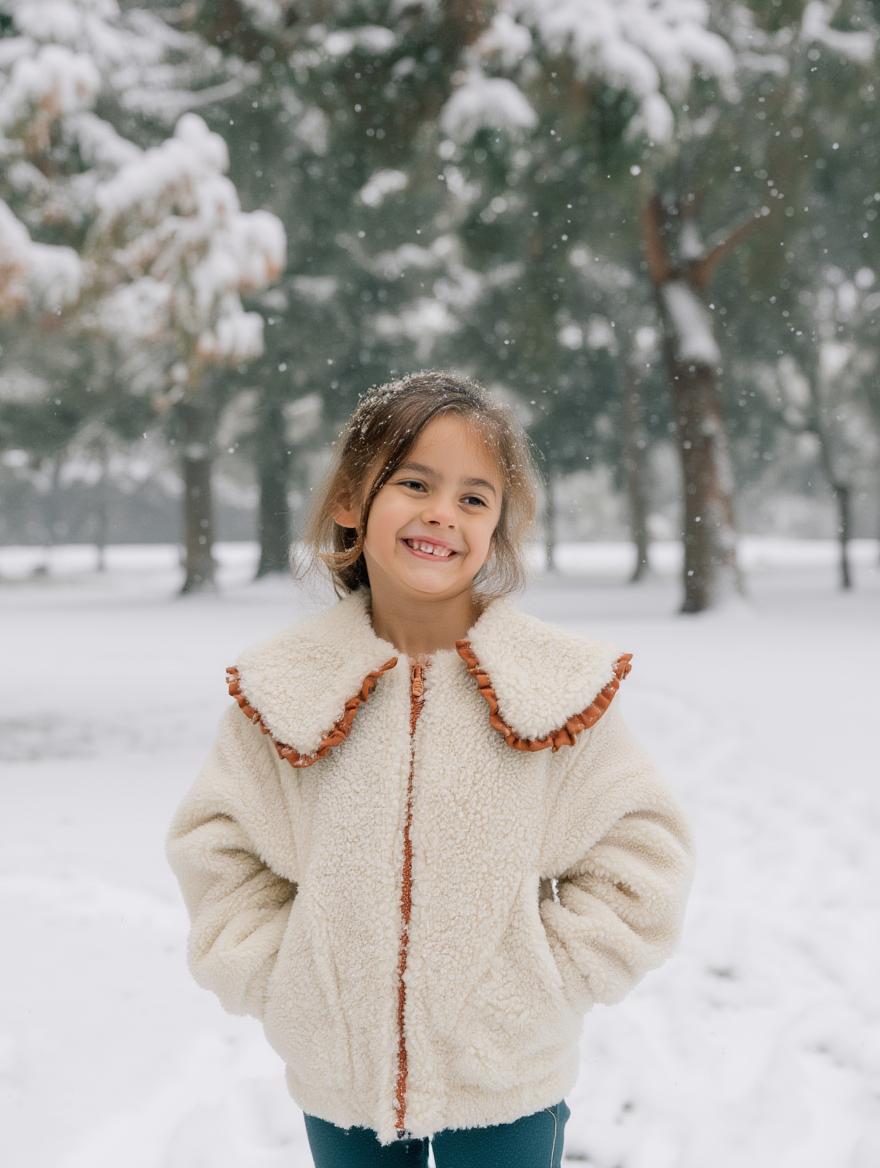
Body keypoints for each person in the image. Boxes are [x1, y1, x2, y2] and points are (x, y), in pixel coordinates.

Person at [164, 369, 697, 1167]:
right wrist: (289, 985)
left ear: (497, 527)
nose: (443, 513)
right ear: (352, 500)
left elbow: (642, 857)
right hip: (342, 1092)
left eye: (474, 498)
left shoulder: (554, 688)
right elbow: (218, 852)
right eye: (415, 483)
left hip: (507, 1088)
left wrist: (542, 988)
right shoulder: (285, 689)